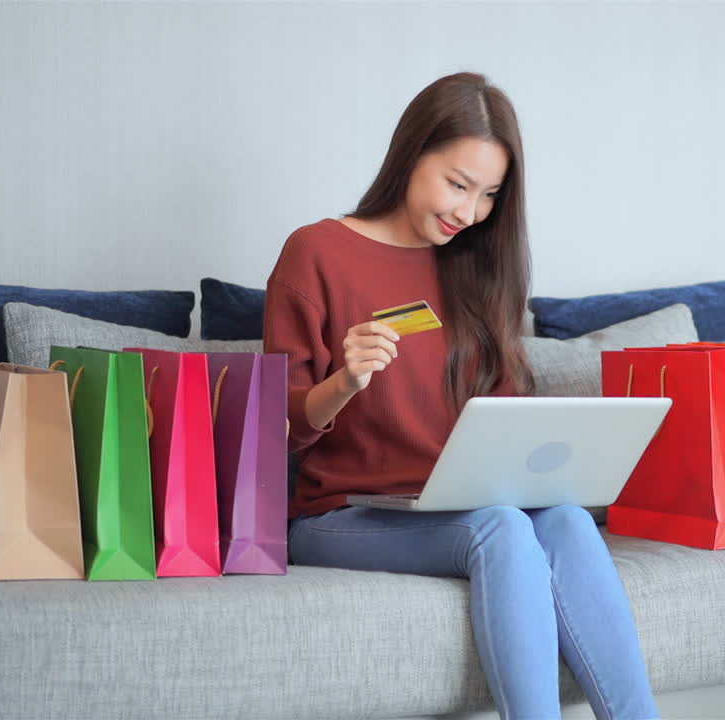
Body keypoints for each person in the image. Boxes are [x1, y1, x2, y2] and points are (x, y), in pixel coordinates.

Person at [264, 72, 660, 720]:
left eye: (488, 195)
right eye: (457, 183)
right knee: (502, 527)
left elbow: (501, 412)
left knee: (564, 517)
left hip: (454, 502)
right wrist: (344, 383)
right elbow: (274, 428)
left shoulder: (475, 265)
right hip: (337, 515)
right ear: (412, 153)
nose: (469, 212)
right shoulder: (317, 253)